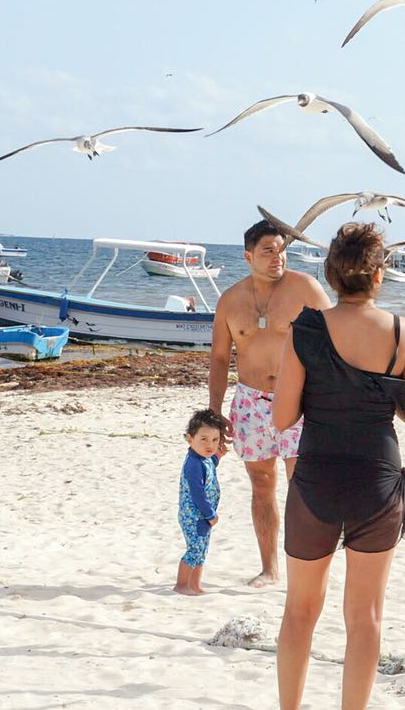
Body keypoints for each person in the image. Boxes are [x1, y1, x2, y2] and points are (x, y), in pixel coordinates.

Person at [272, 222, 405, 710]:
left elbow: (282, 418)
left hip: (316, 480)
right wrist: (383, 389)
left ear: (330, 274)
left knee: (300, 611)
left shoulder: (306, 329)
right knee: (365, 617)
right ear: (378, 275)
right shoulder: (403, 332)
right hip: (377, 484)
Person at [209, 219, 331, 587]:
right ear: (248, 256)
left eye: (281, 250)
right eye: (268, 250)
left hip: (298, 400)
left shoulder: (305, 288)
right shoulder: (230, 300)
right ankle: (269, 568)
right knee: (261, 485)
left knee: (302, 486)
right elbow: (219, 359)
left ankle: (305, 568)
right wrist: (214, 412)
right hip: (249, 402)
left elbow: (336, 337)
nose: (278, 257)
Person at [174, 409, 227, 596]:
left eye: (215, 440)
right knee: (194, 549)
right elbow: (197, 493)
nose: (210, 445)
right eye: (204, 439)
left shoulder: (204, 458)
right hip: (194, 515)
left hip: (202, 517)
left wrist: (217, 457)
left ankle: (194, 585)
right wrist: (210, 514)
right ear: (189, 439)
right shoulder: (193, 464)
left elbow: (210, 465)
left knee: (202, 550)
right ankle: (181, 585)